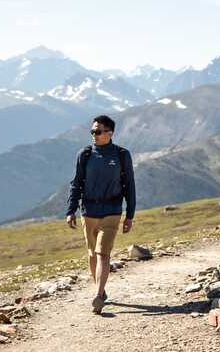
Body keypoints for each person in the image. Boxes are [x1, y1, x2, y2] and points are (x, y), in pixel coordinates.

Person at [65, 115, 136, 315]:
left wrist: (129, 215)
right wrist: (71, 210)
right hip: (88, 212)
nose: (94, 135)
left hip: (112, 212)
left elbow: (129, 185)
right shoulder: (85, 154)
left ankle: (97, 295)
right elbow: (76, 183)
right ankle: (102, 290)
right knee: (91, 254)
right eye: (92, 131)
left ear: (109, 133)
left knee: (103, 254)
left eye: (98, 131)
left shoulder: (121, 155)